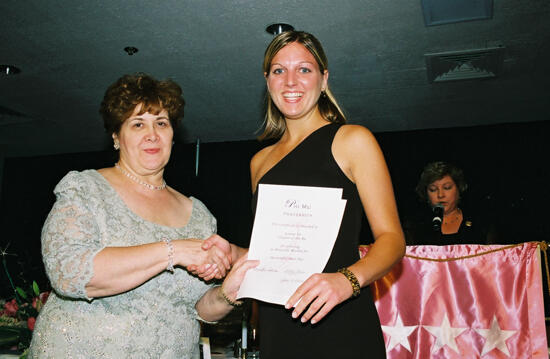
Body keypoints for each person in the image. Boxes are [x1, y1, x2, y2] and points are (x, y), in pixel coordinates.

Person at [28, 73, 254, 359]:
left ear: (173, 135)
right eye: (138, 124)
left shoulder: (199, 215)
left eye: (161, 123)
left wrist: (227, 295)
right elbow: (70, 274)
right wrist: (173, 251)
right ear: (116, 137)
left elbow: (196, 308)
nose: (152, 134)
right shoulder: (86, 188)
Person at [248, 30, 405, 359]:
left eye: (304, 69)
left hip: (341, 320)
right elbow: (267, 253)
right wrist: (231, 254)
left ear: (323, 79)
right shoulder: (259, 163)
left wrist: (346, 280)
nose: (291, 81)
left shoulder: (352, 140)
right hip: (279, 326)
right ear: (267, 80)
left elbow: (392, 240)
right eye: (279, 70)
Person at [403, 161, 497, 245]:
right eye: (433, 189)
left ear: (459, 189)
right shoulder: (414, 227)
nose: (440, 195)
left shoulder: (480, 224)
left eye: (447, 187)